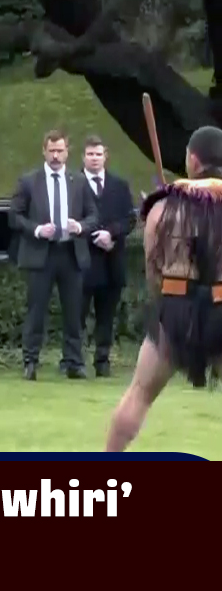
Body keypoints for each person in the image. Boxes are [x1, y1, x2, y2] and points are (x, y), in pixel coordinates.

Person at [106, 125, 222, 451]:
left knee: (139, 394)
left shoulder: (161, 207)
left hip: (175, 308)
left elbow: (152, 270)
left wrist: (166, 307)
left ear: (194, 161)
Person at [10, 130, 99, 380]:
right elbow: (14, 216)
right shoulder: (29, 181)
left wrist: (80, 226)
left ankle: (74, 362)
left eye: (60, 151)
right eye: (52, 151)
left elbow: (93, 215)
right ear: (44, 151)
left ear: (67, 152)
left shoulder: (78, 182)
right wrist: (37, 229)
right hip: (41, 254)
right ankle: (30, 361)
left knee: (73, 312)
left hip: (70, 253)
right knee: (36, 311)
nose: (56, 156)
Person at [79, 136, 136, 377]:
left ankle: (102, 361)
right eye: (90, 154)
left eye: (98, 154)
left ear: (105, 156)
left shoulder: (119, 185)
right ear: (83, 157)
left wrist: (111, 234)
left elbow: (130, 219)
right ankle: (73, 360)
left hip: (112, 261)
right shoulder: (73, 184)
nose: (94, 158)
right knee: (76, 315)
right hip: (82, 261)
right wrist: (95, 235)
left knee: (106, 316)